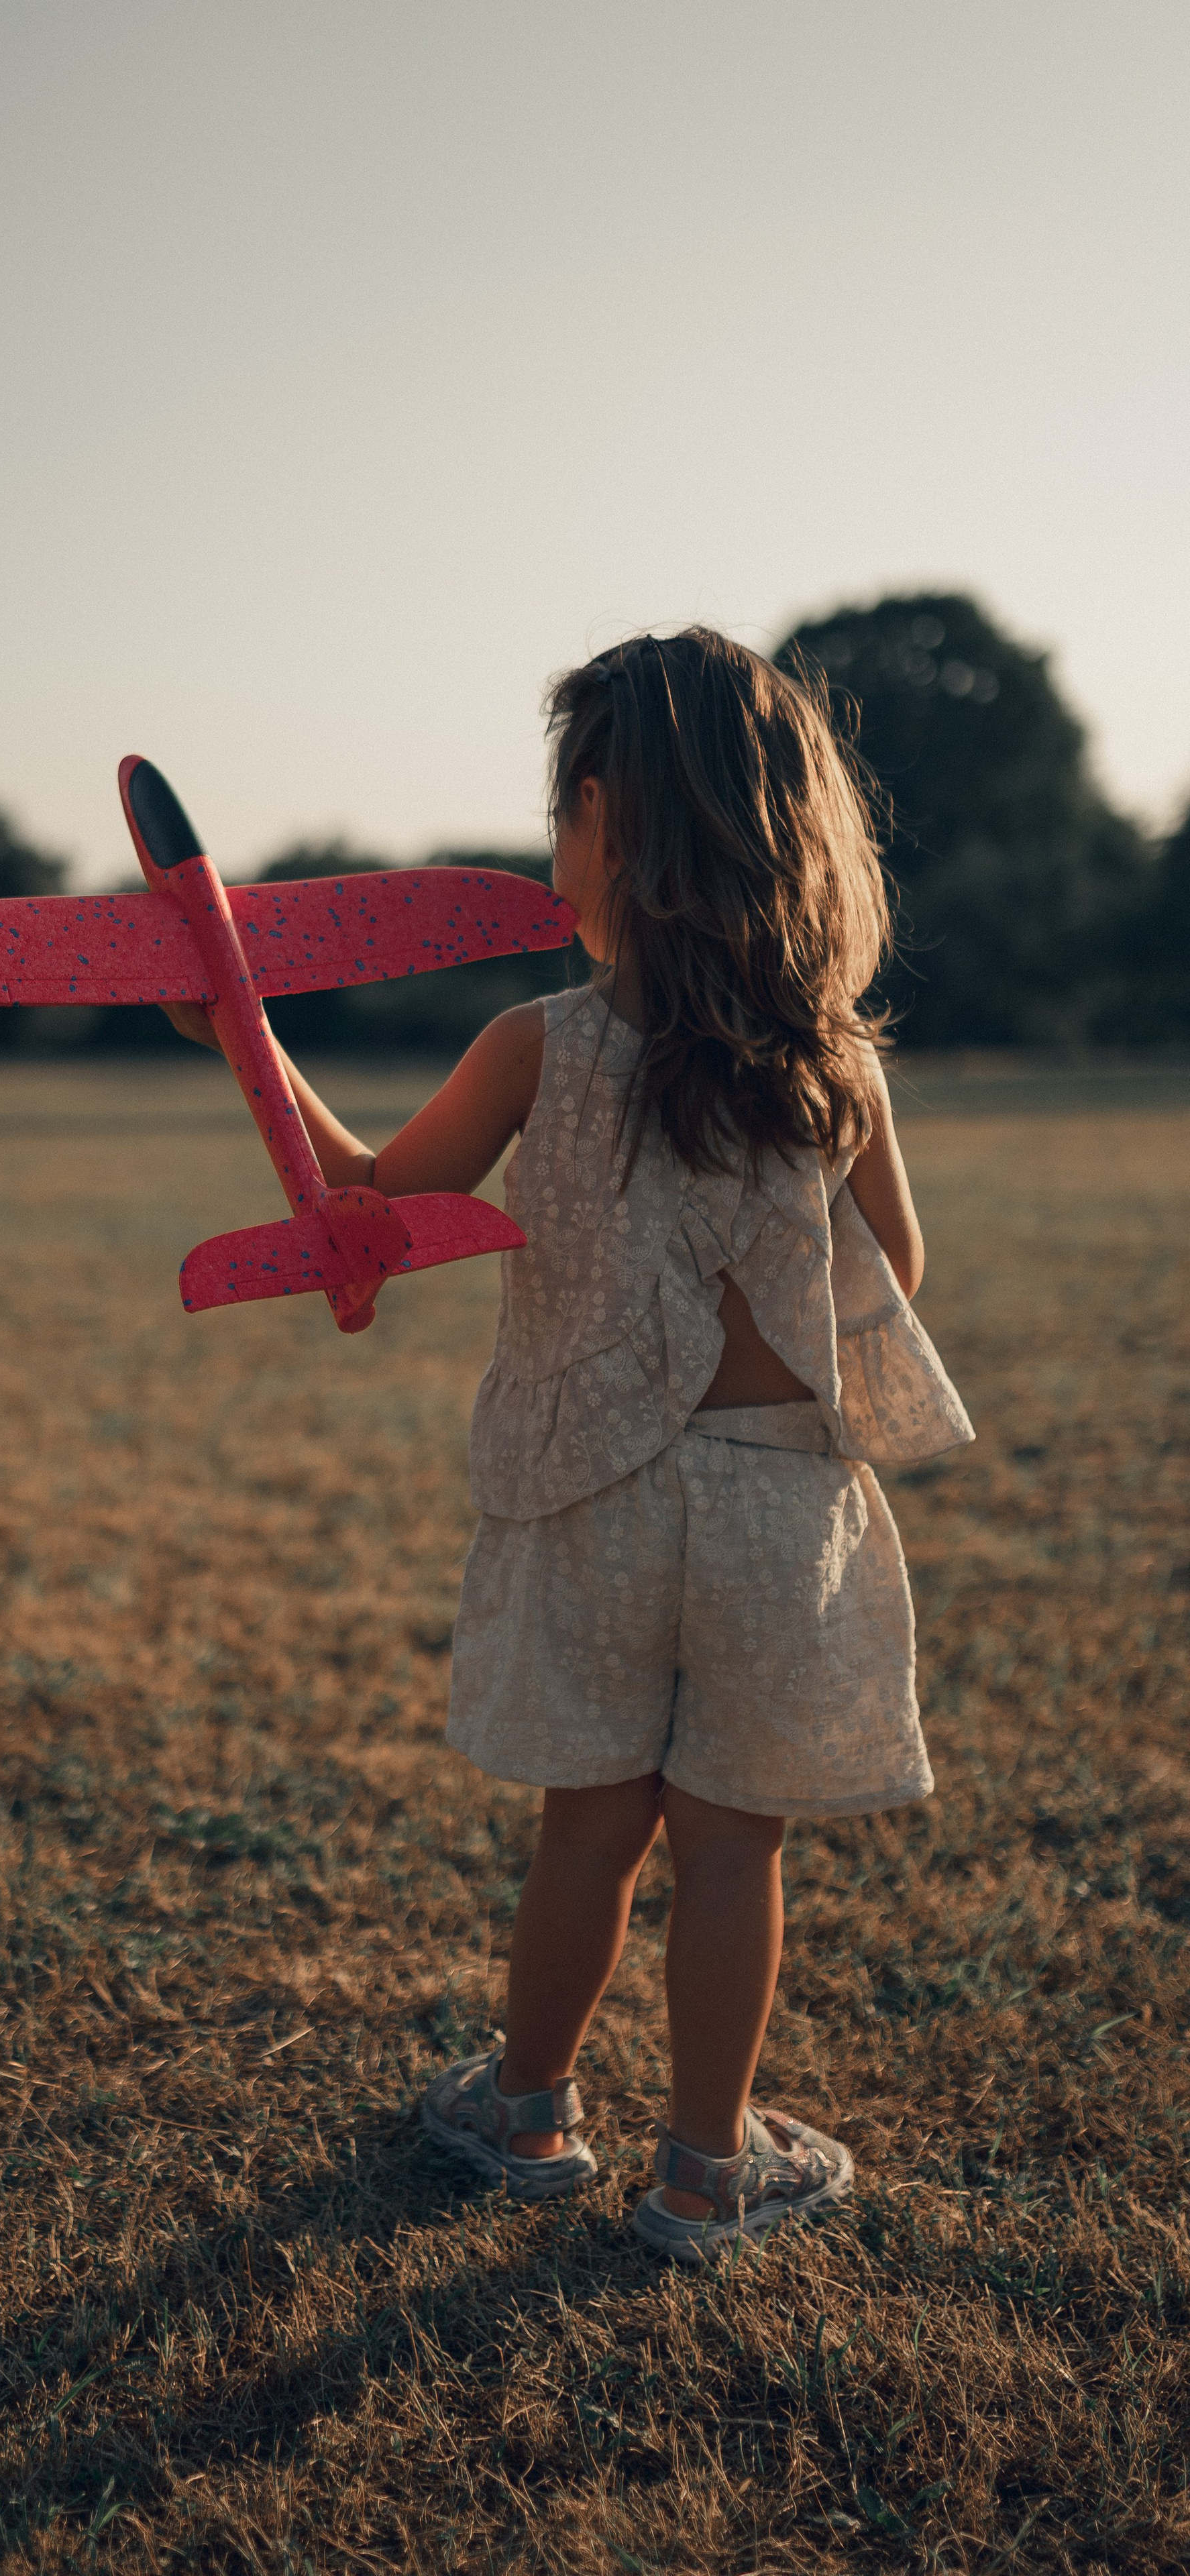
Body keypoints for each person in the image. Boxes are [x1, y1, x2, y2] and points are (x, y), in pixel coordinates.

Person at [164, 629, 973, 2262]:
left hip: (591, 1500)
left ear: (598, 816)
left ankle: (527, 2110)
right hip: (772, 1517)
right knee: (732, 1847)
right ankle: (699, 2177)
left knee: (587, 1832)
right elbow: (895, 1274)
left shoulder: (541, 1042)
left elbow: (369, 1211)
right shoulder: (838, 1067)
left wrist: (243, 1043)